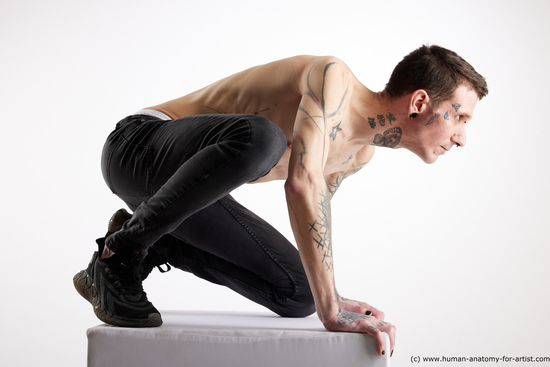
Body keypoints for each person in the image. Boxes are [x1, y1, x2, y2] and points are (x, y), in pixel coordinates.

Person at [73, 44, 488, 357]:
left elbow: (316, 217)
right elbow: (301, 185)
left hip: (171, 197)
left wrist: (331, 297)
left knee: (298, 293)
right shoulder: (333, 78)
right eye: (460, 116)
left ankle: (152, 240)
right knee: (263, 137)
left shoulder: (359, 153)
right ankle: (117, 255)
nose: (462, 137)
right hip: (138, 147)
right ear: (420, 102)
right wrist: (333, 312)